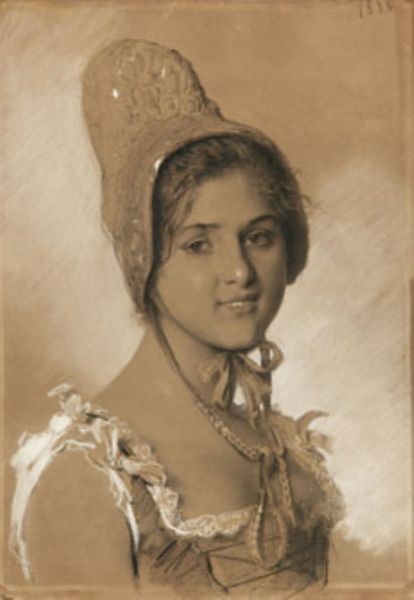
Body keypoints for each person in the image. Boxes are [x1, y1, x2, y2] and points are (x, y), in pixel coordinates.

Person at [9, 39, 344, 596]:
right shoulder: (92, 473)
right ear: (145, 258)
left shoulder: (286, 449)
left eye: (259, 237)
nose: (240, 271)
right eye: (198, 245)